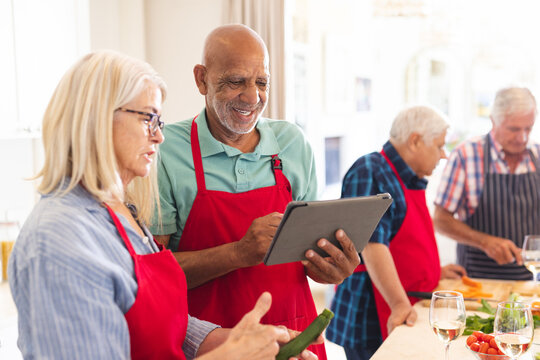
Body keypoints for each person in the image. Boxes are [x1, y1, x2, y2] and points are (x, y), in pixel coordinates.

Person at [8, 50, 321, 360]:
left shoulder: (121, 215)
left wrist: (238, 340)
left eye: (159, 121)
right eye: (148, 119)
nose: (159, 137)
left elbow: (161, 320)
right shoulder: (57, 239)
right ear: (96, 117)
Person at [150, 24, 360, 360]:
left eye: (261, 82)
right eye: (236, 82)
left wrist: (332, 266)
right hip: (214, 347)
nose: (252, 97)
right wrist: (238, 253)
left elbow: (309, 260)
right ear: (201, 79)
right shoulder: (165, 151)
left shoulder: (293, 143)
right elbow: (152, 279)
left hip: (296, 340)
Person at [326, 105, 467, 360]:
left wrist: (434, 271)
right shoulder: (370, 169)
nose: (443, 155)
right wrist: (399, 304)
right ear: (415, 141)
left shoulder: (408, 177)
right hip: (371, 311)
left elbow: (405, 242)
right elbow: (372, 244)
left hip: (406, 299)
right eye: (439, 146)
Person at [434, 86, 540, 280]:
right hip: (479, 280)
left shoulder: (537, 155)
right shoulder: (466, 155)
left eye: (528, 128)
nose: (522, 138)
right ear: (493, 121)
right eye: (514, 129)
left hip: (531, 283)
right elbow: (441, 220)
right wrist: (484, 242)